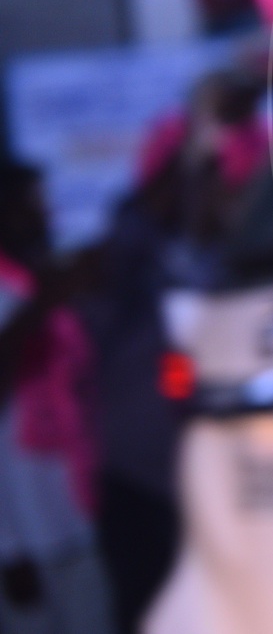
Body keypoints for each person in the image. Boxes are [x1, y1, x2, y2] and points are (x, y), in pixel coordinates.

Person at [0, 160, 114, 634]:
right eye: (30, 205)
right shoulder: (25, 290)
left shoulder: (28, 281)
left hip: (72, 518)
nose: (44, 215)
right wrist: (6, 549)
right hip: (22, 543)